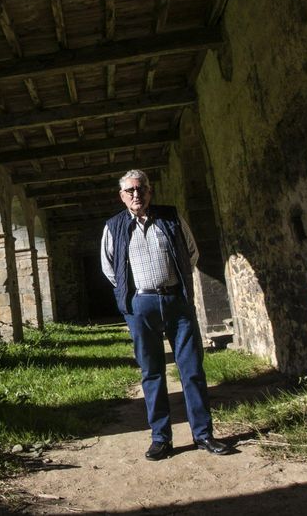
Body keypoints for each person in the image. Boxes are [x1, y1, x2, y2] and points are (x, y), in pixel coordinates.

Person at [100, 169, 233, 460]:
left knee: (192, 370)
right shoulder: (113, 227)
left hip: (176, 301)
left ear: (150, 192)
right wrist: (134, 295)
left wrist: (176, 284)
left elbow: (192, 252)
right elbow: (110, 269)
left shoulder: (171, 218)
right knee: (152, 373)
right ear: (122, 196)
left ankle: (203, 435)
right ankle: (161, 438)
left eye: (141, 189)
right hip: (140, 306)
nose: (137, 194)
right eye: (131, 190)